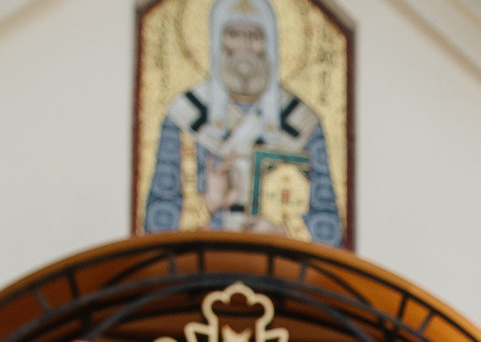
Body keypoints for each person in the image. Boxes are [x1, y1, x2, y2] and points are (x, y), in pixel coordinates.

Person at [140, 0, 344, 244]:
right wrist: (207, 204)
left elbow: (329, 225)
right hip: (202, 266)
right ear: (217, 40)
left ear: (270, 44)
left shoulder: (302, 121)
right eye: (234, 34)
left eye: (254, 36)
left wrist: (284, 231)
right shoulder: (184, 115)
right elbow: (155, 224)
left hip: (280, 271)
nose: (244, 47)